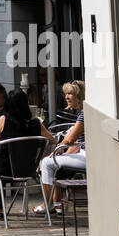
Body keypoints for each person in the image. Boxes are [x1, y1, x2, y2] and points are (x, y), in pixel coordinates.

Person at [0, 88, 55, 220]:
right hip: (28, 170)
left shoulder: (4, 120)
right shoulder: (36, 124)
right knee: (0, 161)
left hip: (4, 171)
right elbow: (52, 140)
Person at [35, 81, 86, 216]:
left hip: (87, 156)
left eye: (70, 94)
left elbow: (70, 139)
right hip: (83, 152)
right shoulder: (83, 113)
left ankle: (47, 204)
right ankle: (57, 205)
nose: (66, 97)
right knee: (55, 162)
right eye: (66, 94)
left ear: (79, 96)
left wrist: (57, 150)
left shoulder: (84, 114)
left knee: (47, 162)